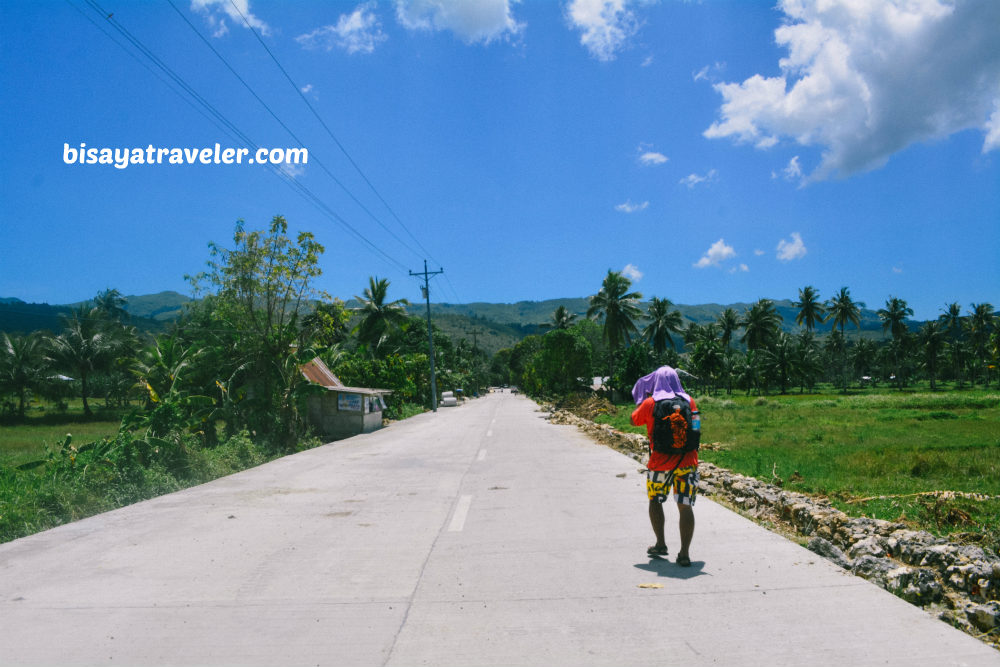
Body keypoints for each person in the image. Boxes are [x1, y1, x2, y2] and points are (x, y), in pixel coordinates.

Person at [630, 366, 698, 566]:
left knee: (655, 500)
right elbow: (696, 428)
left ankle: (660, 543)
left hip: (660, 463)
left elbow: (633, 420)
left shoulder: (651, 403)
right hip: (687, 462)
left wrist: (644, 400)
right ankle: (684, 553)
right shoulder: (689, 401)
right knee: (685, 506)